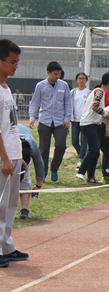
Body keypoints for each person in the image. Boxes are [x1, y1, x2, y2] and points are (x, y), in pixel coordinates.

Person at [0, 39, 29, 268]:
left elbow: (10, 126)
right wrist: (4, 158)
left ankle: (6, 246)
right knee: (0, 205)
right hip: (3, 157)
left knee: (10, 205)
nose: (15, 66)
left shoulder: (6, 88)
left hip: (14, 154)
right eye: (12, 62)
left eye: (17, 62)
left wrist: (18, 156)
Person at [28, 61, 72, 182]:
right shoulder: (40, 85)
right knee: (44, 148)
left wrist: (66, 118)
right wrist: (32, 117)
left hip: (60, 121)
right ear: (48, 72)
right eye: (55, 74)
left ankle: (54, 168)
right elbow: (35, 102)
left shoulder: (64, 85)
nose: (58, 76)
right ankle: (43, 173)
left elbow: (68, 103)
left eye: (59, 74)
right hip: (44, 120)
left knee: (61, 145)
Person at [75, 73, 109, 184]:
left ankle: (91, 177)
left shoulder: (99, 91)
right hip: (89, 124)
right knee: (93, 150)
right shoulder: (100, 91)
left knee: (96, 151)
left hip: (93, 124)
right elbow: (95, 106)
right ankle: (81, 172)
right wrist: (105, 114)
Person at [18, 124, 44, 219]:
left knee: (25, 180)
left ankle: (24, 210)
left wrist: (38, 185)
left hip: (23, 140)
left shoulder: (31, 146)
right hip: (9, 150)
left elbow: (39, 164)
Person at [70, 72, 89, 168]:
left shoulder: (89, 93)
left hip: (85, 120)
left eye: (83, 78)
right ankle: (82, 156)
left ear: (86, 80)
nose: (81, 80)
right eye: (79, 78)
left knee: (84, 140)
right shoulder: (72, 92)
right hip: (74, 120)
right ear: (76, 80)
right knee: (74, 141)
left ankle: (81, 159)